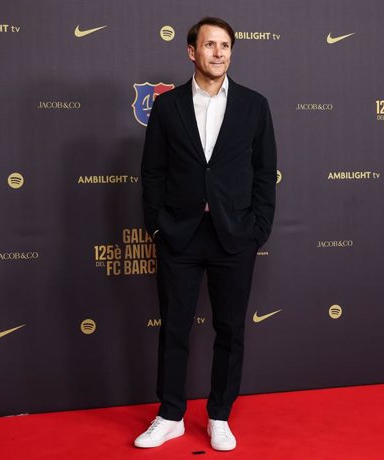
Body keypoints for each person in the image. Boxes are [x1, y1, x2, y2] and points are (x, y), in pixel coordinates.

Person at [135, 16, 276, 451]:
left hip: (234, 236)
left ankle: (219, 415)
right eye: (210, 45)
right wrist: (158, 227)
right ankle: (171, 414)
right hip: (180, 233)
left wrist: (258, 230)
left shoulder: (255, 105)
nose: (219, 53)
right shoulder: (167, 106)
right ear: (191, 51)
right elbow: (152, 173)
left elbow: (264, 174)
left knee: (230, 329)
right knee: (174, 326)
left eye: (226, 46)